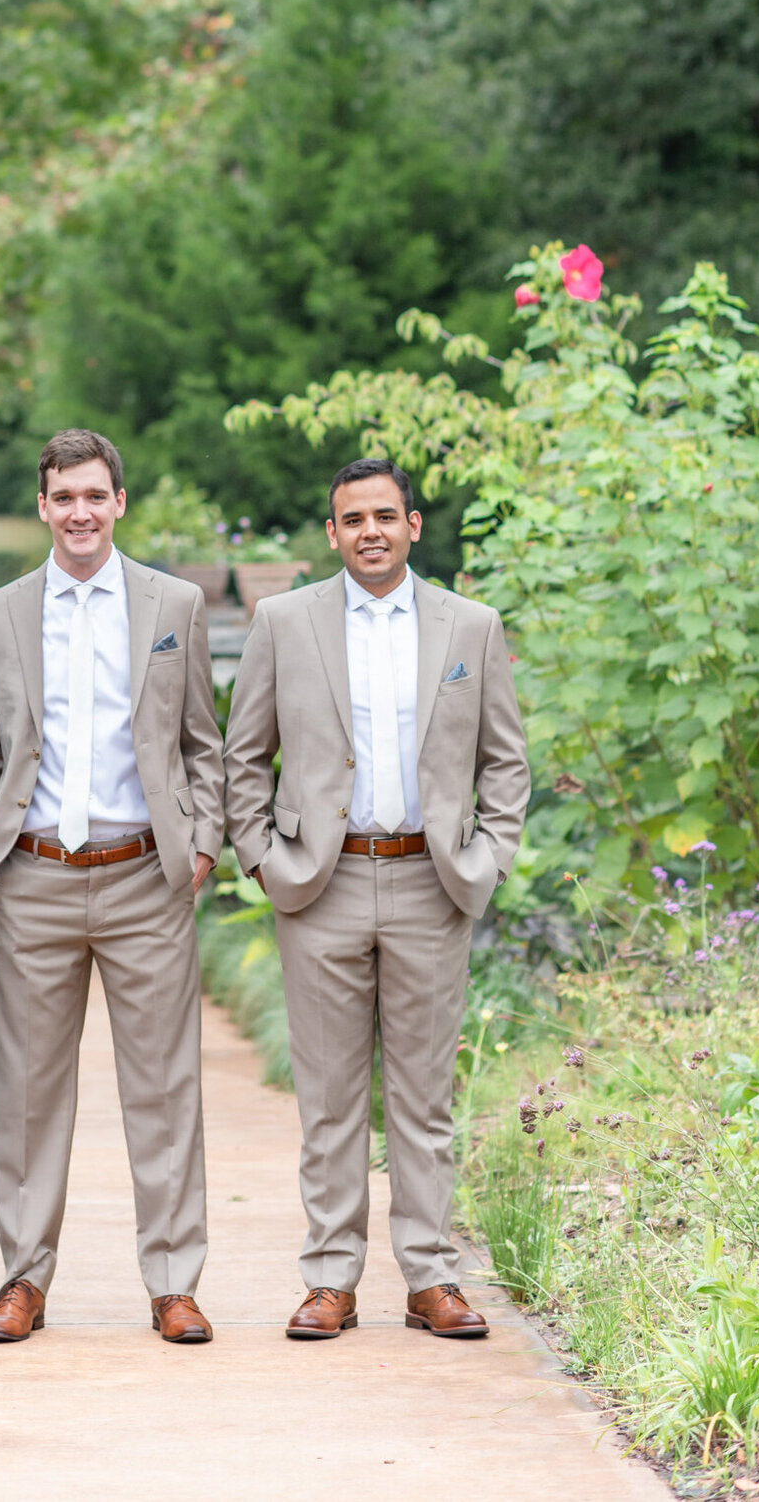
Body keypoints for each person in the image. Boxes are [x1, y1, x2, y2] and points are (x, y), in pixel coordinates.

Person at [223, 457, 531, 1341]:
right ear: (331, 533)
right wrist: (264, 860)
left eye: (385, 517)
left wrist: (488, 856)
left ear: (414, 525)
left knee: (424, 1099)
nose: (370, 532)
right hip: (321, 885)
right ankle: (331, 1279)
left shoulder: (468, 626)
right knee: (328, 1100)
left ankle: (432, 1277)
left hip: (434, 885)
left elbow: (505, 760)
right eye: (352, 519)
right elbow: (245, 755)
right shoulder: (285, 621)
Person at [0, 429, 224, 1345]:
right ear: (42, 507)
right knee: (29, 1092)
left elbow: (202, 739)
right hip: (33, 877)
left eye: (94, 495)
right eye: (62, 497)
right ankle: (23, 1280)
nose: (79, 512)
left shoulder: (173, 603)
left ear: (120, 502)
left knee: (163, 1087)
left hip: (145, 877)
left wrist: (200, 844)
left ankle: (172, 1281)